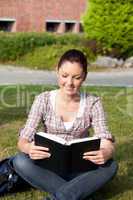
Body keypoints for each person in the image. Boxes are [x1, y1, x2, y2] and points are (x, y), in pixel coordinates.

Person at [13, 49, 118, 200]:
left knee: (111, 166)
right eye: (64, 76)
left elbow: (104, 137)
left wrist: (107, 152)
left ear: (84, 77)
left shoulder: (93, 102)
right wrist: (28, 148)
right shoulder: (43, 99)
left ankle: (63, 195)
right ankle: (78, 190)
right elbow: (23, 139)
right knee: (20, 161)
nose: (69, 83)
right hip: (48, 165)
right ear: (57, 71)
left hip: (81, 168)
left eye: (76, 77)